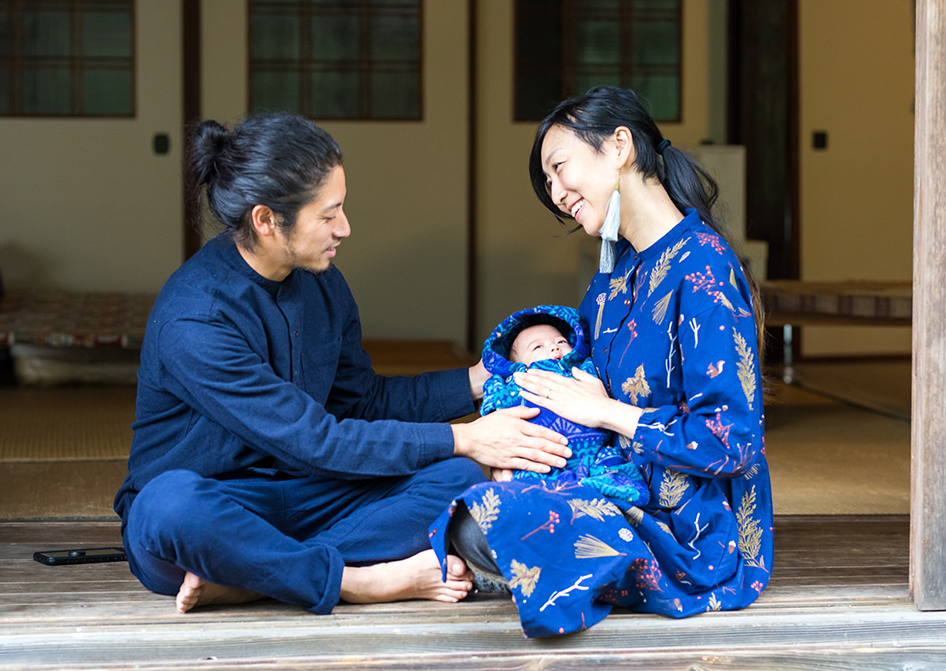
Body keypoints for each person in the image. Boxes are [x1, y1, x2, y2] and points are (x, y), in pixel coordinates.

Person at [114, 112, 572, 616]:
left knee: (456, 477)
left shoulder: (322, 283)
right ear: (266, 221)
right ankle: (357, 581)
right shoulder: (195, 316)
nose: (345, 228)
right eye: (328, 214)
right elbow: (312, 439)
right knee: (168, 508)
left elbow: (364, 403)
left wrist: (478, 382)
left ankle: (252, 576)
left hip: (311, 499)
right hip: (221, 503)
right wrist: (468, 434)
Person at [429, 86, 773, 638]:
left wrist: (608, 413)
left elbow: (732, 442)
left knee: (487, 522)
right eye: (547, 182)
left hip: (686, 529)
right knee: (447, 489)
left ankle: (560, 567)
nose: (556, 191)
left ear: (619, 146)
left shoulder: (704, 268)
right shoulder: (610, 282)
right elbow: (569, 396)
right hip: (600, 486)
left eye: (560, 168)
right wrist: (525, 443)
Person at [477, 304, 648, 503]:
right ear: (516, 363)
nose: (554, 347)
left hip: (589, 453)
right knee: (522, 487)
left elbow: (596, 387)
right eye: (537, 347)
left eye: (561, 341)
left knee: (614, 468)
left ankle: (592, 489)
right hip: (537, 457)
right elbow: (494, 403)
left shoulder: (581, 369)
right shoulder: (519, 379)